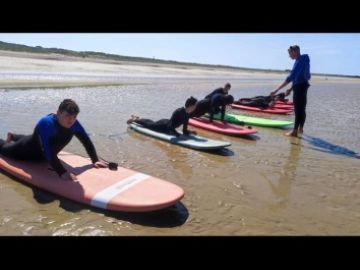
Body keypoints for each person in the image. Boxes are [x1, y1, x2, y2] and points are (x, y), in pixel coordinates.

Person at [0, 99, 108, 181]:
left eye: (74, 116)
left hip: (37, 145)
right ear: (58, 113)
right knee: (3, 149)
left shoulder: (74, 123)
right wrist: (62, 172)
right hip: (26, 152)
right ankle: (10, 140)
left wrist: (95, 160)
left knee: (35, 138)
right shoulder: (46, 123)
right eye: (67, 116)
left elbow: (86, 141)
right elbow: (47, 151)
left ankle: (13, 136)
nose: (71, 120)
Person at [270, 45, 311, 137]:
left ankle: (294, 131)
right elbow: (303, 76)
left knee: (297, 110)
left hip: (299, 87)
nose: (289, 56)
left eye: (290, 53)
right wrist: (291, 88)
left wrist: (276, 90)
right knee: (302, 109)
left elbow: (291, 77)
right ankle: (301, 128)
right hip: (304, 86)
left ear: (295, 52)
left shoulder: (299, 62)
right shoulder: (305, 60)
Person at [127, 96, 198, 137]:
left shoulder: (187, 114)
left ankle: (138, 118)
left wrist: (190, 132)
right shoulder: (178, 112)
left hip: (167, 123)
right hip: (162, 126)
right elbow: (170, 127)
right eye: (195, 106)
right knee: (149, 125)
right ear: (191, 106)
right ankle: (134, 120)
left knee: (151, 122)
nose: (195, 107)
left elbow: (184, 131)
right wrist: (177, 135)